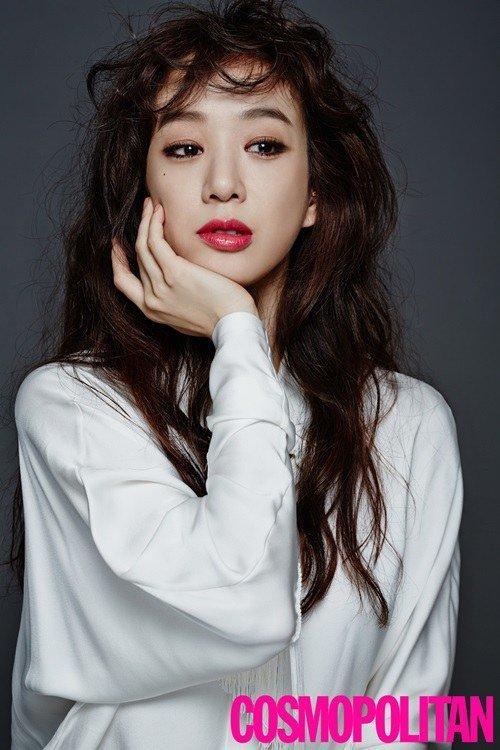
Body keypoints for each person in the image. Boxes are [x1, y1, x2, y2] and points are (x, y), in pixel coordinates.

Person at [8, 1, 463, 748]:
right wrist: (237, 329)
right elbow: (241, 602)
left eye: (264, 144)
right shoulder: (75, 406)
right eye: (185, 148)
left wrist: (236, 334)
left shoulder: (406, 425)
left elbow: (409, 720)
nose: (223, 184)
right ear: (144, 191)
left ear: (314, 193)